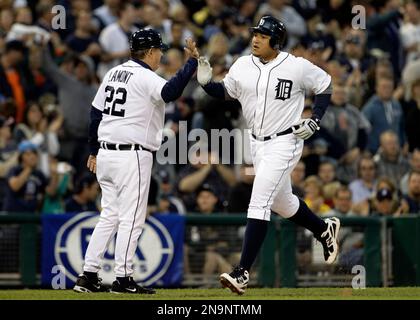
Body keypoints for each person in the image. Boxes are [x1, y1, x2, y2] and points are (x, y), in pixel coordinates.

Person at [196, 15, 340, 295]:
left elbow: (326, 84)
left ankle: (242, 272)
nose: (256, 38)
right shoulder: (242, 63)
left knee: (259, 201)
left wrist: (315, 118)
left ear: (276, 41)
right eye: (255, 34)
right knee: (282, 203)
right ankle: (324, 230)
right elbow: (226, 91)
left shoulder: (296, 66)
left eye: (262, 35)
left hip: (285, 142)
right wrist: (206, 84)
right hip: (256, 143)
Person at [73, 29, 199, 294]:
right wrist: (191, 63)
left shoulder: (112, 73)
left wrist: (94, 150)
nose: (161, 55)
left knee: (109, 216)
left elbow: (96, 113)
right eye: (159, 51)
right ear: (151, 51)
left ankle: (88, 275)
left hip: (106, 154)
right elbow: (171, 92)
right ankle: (124, 278)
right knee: (132, 217)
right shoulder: (145, 76)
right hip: (132, 154)